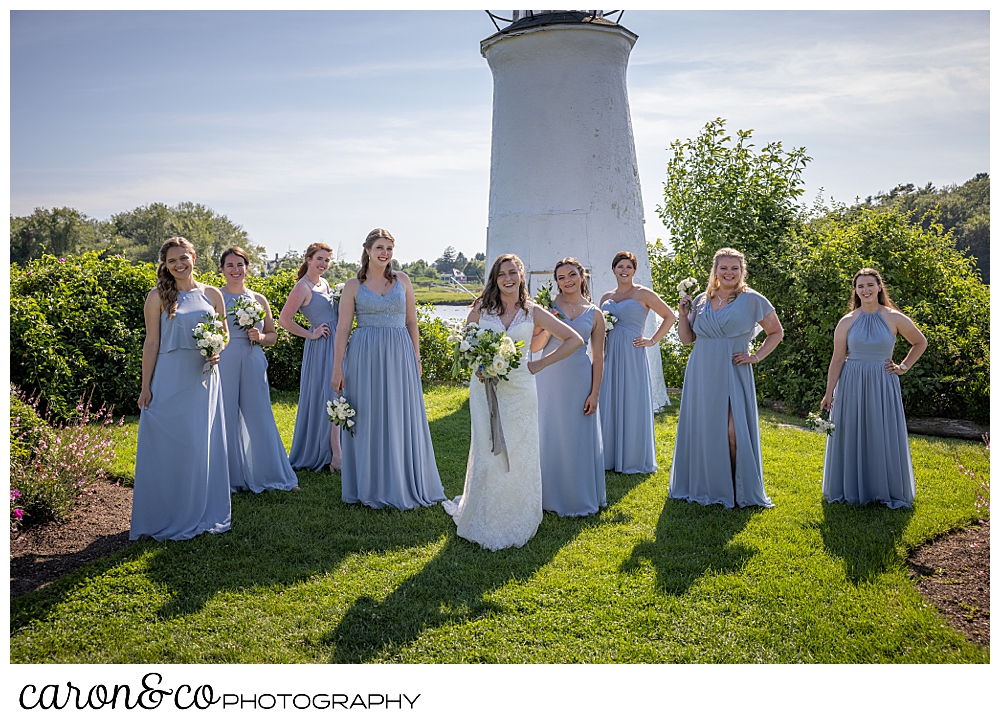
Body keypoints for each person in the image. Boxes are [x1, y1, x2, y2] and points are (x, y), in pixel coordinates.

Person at [443, 253, 584, 550]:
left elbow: (575, 340)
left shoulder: (533, 312)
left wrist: (540, 363)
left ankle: (518, 513)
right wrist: (478, 367)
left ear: (521, 277)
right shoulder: (481, 310)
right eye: (501, 274)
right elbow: (463, 346)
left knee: (520, 451)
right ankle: (484, 511)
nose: (508, 278)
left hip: (520, 389)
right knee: (486, 449)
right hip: (484, 388)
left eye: (513, 273)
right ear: (495, 279)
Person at [332, 228, 445, 509]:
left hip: (400, 354)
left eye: (389, 249)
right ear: (368, 250)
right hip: (363, 354)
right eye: (380, 248)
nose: (385, 253)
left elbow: (411, 322)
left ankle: (402, 480)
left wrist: (417, 358)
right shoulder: (352, 286)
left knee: (399, 413)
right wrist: (337, 368)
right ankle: (369, 484)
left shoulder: (403, 280)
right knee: (368, 414)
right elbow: (343, 328)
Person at [131, 237, 231, 541]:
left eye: (183, 258)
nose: (178, 265)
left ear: (194, 257)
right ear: (165, 264)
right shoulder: (157, 296)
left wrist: (218, 350)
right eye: (172, 260)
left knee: (200, 444)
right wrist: (145, 386)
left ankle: (200, 509)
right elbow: (151, 342)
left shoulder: (212, 294)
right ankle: (166, 512)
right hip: (170, 377)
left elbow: (224, 334)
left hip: (203, 378)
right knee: (169, 445)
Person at [669, 247, 783, 508]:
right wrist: (682, 315)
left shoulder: (754, 299)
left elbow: (776, 332)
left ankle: (736, 487)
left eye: (735, 268)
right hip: (702, 369)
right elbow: (687, 340)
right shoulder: (699, 300)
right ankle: (709, 484)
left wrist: (755, 357)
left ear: (742, 271)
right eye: (724, 268)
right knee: (706, 431)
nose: (729, 272)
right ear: (715, 271)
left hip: (733, 369)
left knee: (733, 432)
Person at [820, 268, 926, 508]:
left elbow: (920, 342)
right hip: (851, 382)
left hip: (882, 381)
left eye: (870, 285)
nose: (865, 290)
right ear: (855, 291)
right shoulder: (847, 321)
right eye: (860, 286)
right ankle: (852, 489)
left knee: (882, 432)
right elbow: (837, 359)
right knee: (851, 432)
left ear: (879, 287)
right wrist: (829, 393)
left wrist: (904, 366)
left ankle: (883, 489)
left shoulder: (894, 317)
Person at [218, 246, 299, 493]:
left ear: (247, 268)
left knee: (260, 417)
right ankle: (228, 479)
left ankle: (274, 475)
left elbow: (273, 336)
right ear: (222, 269)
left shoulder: (259, 299)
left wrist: (260, 336)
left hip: (253, 360)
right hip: (224, 360)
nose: (235, 270)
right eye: (230, 265)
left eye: (240, 265)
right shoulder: (214, 297)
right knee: (225, 417)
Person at [530, 258, 606, 516]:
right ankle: (546, 497)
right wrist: (546, 326)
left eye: (572, 275)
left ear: (582, 275)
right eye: (561, 278)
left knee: (576, 437)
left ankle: (578, 496)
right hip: (549, 377)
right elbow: (534, 348)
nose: (567, 281)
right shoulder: (546, 307)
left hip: (579, 378)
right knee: (548, 433)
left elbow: (598, 356)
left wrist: (594, 393)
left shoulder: (595, 314)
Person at [598, 251, 677, 474]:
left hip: (632, 354)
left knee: (631, 399)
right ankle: (609, 456)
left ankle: (632, 457)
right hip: (610, 354)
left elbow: (670, 316)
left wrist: (652, 340)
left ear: (634, 271)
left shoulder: (644, 293)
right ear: (613, 269)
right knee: (609, 398)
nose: (624, 270)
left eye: (629, 267)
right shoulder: (606, 298)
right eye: (620, 266)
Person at [279, 242, 342, 473]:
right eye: (320, 259)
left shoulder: (324, 283)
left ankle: (337, 449)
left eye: (327, 260)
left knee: (340, 393)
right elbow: (284, 320)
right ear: (308, 259)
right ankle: (325, 453)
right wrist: (311, 333)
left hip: (338, 343)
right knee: (328, 394)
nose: (324, 264)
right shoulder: (302, 287)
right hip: (322, 345)